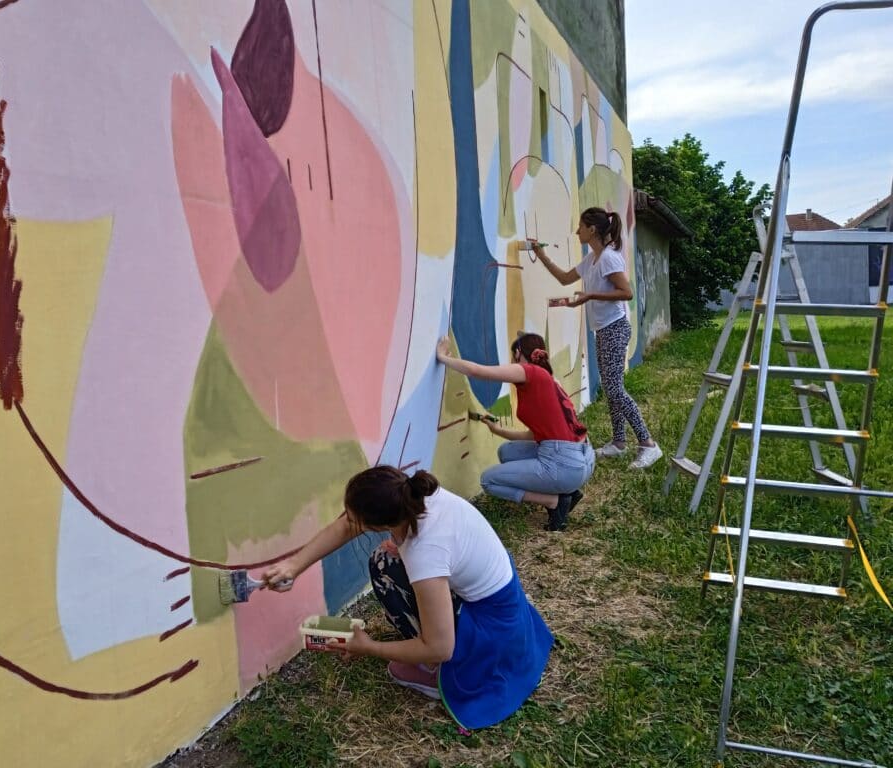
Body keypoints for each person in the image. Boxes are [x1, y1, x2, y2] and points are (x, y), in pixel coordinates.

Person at [261, 466, 553, 730]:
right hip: (502, 601)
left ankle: (437, 674)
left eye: (355, 519)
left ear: (378, 525)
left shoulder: (424, 551)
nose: (348, 523)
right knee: (384, 560)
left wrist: (370, 647)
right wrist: (293, 565)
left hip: (493, 632)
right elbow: (347, 525)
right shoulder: (411, 491)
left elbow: (440, 647)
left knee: (389, 574)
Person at [530, 207, 663, 469]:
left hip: (615, 328)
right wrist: (540, 254)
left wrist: (590, 296)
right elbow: (565, 278)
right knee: (611, 387)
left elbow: (626, 293)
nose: (576, 231)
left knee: (614, 389)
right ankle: (618, 442)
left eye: (580, 226)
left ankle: (648, 444)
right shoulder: (592, 259)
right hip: (603, 329)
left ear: (592, 229)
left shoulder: (609, 259)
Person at [436, 332, 593, 532]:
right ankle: (566, 490)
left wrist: (443, 358)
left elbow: (478, 371)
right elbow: (535, 435)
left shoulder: (530, 372)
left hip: (564, 463)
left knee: (488, 480)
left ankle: (555, 500)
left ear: (518, 353)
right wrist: (498, 430)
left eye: (513, 356)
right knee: (506, 452)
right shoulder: (549, 380)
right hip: (580, 457)